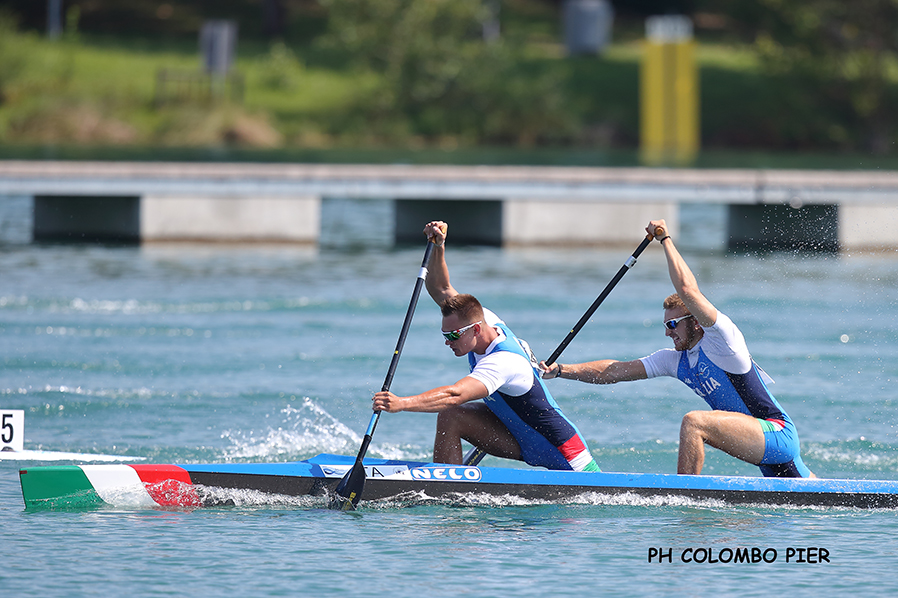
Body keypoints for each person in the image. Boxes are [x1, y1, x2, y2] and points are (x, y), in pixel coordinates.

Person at [541, 219, 814, 478]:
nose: (667, 332)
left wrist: (665, 239)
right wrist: (562, 370)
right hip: (757, 441)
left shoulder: (722, 340)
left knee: (694, 423)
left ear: (695, 322)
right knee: (802, 496)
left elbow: (687, 290)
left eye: (672, 324)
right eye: (665, 325)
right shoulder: (675, 361)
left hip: (777, 433)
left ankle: (683, 496)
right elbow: (614, 371)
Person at [372, 220, 600, 472]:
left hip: (566, 455)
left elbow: (454, 394)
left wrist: (401, 403)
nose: (448, 342)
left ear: (476, 329)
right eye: (445, 335)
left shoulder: (503, 362)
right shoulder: (483, 319)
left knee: (452, 407)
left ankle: (444, 488)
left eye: (454, 336)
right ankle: (447, 489)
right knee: (452, 417)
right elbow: (441, 288)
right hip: (521, 436)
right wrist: (439, 247)